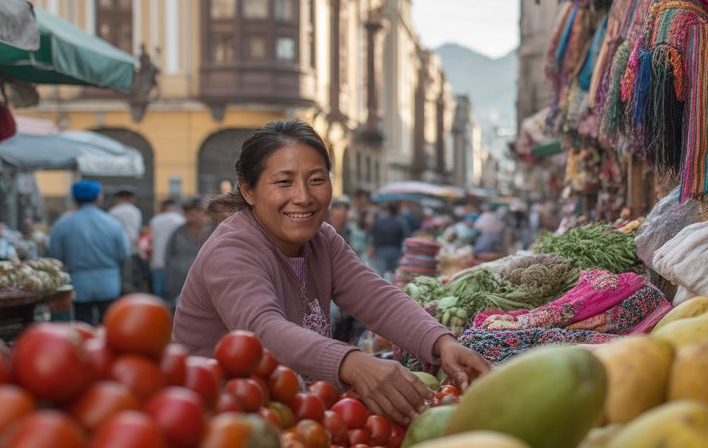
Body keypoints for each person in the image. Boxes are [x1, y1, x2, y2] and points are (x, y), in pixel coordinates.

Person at [172, 120, 489, 424]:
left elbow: (375, 297)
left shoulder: (322, 239)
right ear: (248, 190)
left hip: (290, 414)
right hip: (218, 422)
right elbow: (262, 329)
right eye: (284, 182)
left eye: (316, 179)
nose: (304, 197)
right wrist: (350, 362)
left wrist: (441, 342)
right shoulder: (231, 250)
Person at [49, 180, 130, 325]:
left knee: (82, 326)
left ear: (74, 199)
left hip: (79, 285)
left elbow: (56, 257)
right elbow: (124, 254)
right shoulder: (113, 224)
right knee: (108, 327)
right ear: (99, 198)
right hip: (109, 284)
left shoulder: (62, 225)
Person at [164, 197, 210, 307]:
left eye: (195, 211)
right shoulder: (178, 232)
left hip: (204, 283)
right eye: (188, 211)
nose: (192, 214)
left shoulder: (212, 231)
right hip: (178, 282)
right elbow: (168, 255)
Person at [108, 189, 147, 293]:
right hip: (133, 249)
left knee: (121, 278)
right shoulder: (136, 211)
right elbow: (138, 231)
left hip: (117, 250)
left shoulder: (113, 211)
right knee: (132, 278)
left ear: (120, 197)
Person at [148, 198, 186, 299]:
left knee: (159, 297)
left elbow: (150, 242)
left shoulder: (155, 220)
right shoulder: (180, 220)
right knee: (177, 297)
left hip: (157, 262)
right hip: (176, 265)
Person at [367, 203, 406, 278]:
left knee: (381, 274)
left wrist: (372, 248)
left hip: (381, 251)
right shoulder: (399, 222)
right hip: (395, 251)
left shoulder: (378, 222)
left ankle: (382, 288)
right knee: (394, 275)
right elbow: (404, 236)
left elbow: (371, 235)